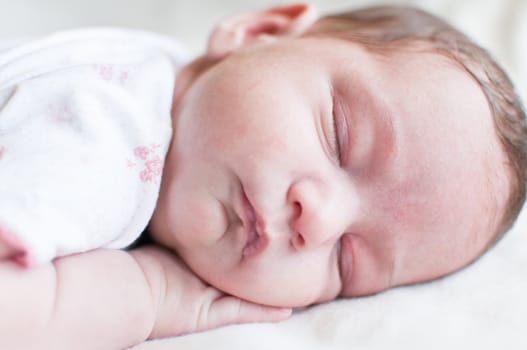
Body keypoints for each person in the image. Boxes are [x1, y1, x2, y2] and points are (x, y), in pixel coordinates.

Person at [1, 3, 526, 349]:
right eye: (339, 137)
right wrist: (147, 293)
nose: (318, 222)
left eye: (347, 261)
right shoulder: (102, 145)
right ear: (261, 31)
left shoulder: (154, 67)